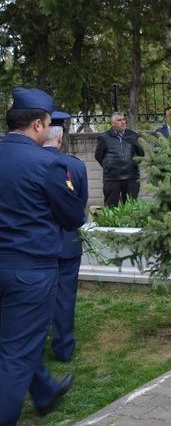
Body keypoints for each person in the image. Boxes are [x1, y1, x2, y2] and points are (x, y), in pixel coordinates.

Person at [0, 88, 87, 423]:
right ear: (38, 125)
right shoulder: (48, 163)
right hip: (30, 271)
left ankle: (45, 391)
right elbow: (72, 217)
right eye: (49, 123)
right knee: (15, 354)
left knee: (15, 339)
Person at [43, 111, 89, 363]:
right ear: (60, 138)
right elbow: (80, 204)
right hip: (67, 242)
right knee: (65, 296)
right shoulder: (75, 165)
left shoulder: (31, 163)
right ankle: (63, 347)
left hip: (39, 243)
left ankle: (35, 348)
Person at [95, 111, 145, 206]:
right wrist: (109, 166)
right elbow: (98, 156)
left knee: (131, 207)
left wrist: (132, 165)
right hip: (112, 178)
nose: (123, 122)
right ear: (113, 123)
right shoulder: (104, 138)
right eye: (119, 120)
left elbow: (141, 154)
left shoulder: (133, 136)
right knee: (111, 207)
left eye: (123, 119)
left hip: (131, 177)